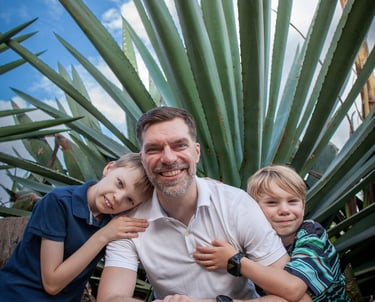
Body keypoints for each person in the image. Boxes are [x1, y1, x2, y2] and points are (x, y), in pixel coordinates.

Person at [97, 106, 290, 302]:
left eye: (179, 145)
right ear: (143, 159)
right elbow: (111, 298)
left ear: (196, 152)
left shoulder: (235, 204)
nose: (169, 158)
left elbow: (294, 295)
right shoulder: (129, 223)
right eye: (154, 149)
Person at [0, 152, 153, 302]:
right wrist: (103, 235)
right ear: (109, 168)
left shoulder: (113, 221)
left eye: (130, 200)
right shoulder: (58, 202)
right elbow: (52, 284)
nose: (117, 198)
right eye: (119, 183)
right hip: (17, 295)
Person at [194, 165, 350, 301]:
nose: (284, 210)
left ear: (303, 205)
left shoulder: (311, 234)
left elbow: (294, 290)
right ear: (252, 208)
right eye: (272, 203)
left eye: (292, 201)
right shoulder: (253, 237)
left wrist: (234, 260)